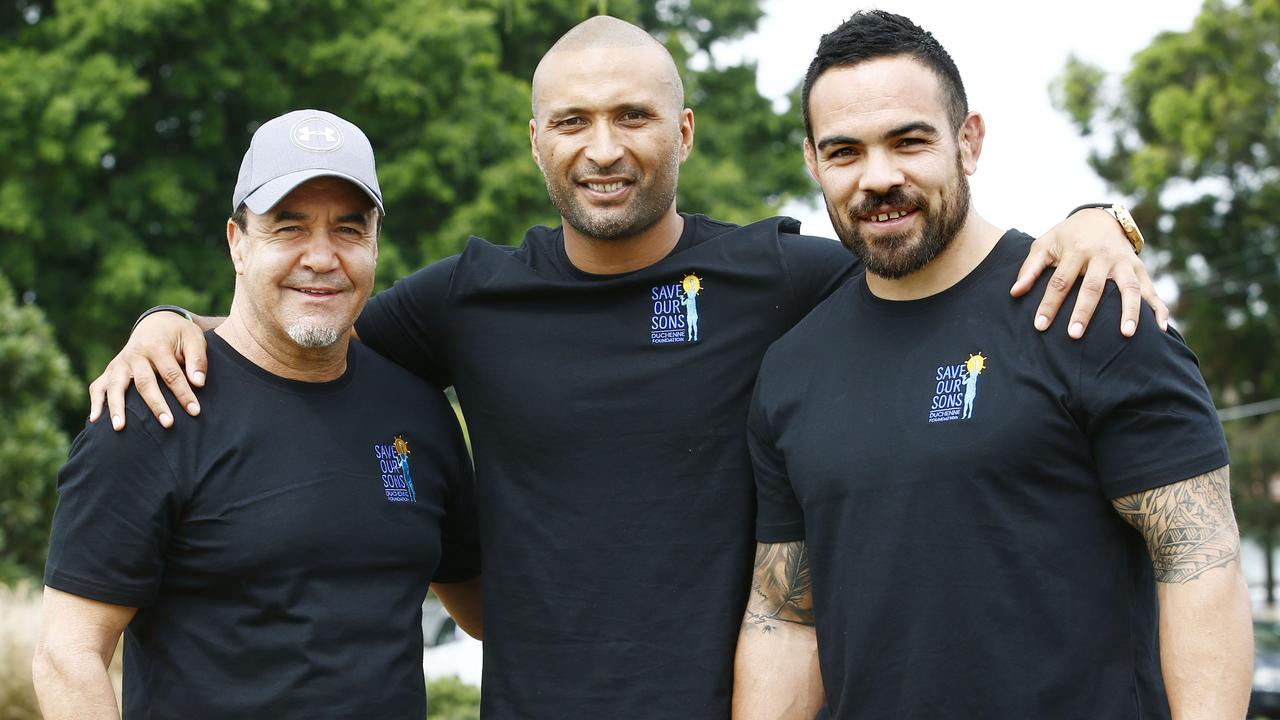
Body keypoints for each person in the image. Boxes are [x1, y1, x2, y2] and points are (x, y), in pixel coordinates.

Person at [87, 17, 1165, 718]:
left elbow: (922, 246)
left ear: (683, 131)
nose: (603, 147)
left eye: (632, 117)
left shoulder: (780, 279)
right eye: (573, 121)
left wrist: (1089, 217)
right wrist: (167, 316)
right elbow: (302, 319)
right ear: (536, 142)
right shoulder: (467, 298)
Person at [733, 11, 1252, 719]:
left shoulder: (1090, 307)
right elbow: (785, 617)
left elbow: (1201, 563)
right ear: (814, 162)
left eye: (908, 141)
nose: (878, 177)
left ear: (968, 141)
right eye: (845, 151)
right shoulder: (790, 369)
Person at [32, 109, 483, 719]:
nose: (322, 257)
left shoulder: (419, 412)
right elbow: (69, 654)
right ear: (237, 243)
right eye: (289, 228)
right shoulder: (153, 410)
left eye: (349, 230)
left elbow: (485, 613)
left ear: (375, 243)